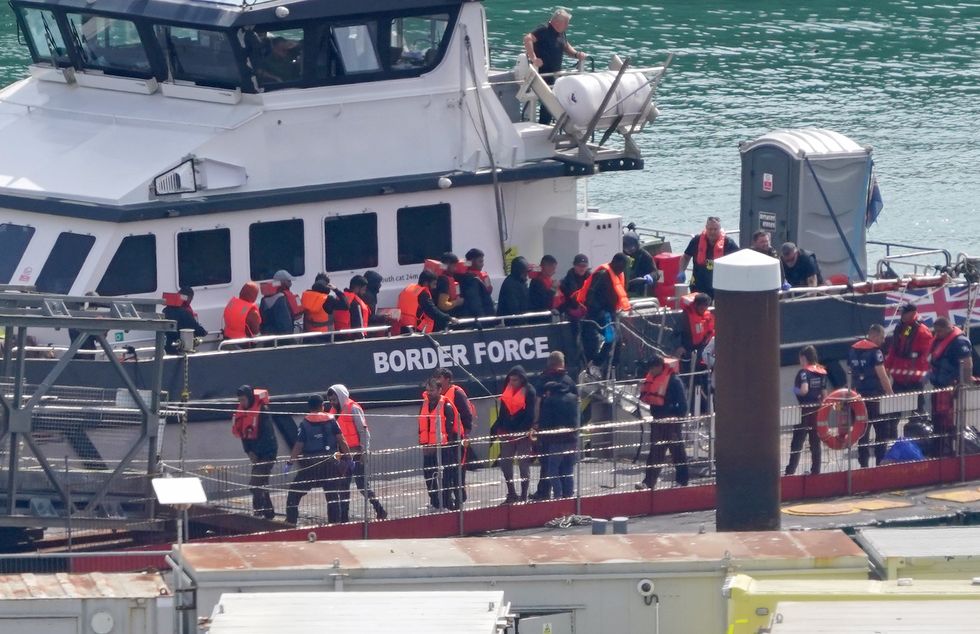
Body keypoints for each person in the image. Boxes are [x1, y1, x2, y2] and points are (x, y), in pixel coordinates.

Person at [283, 395, 350, 525]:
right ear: (322, 406)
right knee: (332, 496)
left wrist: (290, 462)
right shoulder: (332, 421)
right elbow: (342, 441)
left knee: (294, 493)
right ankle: (335, 525)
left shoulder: (305, 424)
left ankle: (291, 522)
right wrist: (349, 459)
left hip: (310, 465)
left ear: (309, 407)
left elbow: (298, 446)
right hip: (331, 464)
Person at [326, 384, 387, 520]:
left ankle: (379, 509)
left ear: (341, 396)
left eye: (334, 399)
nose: (332, 402)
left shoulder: (353, 408)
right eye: (330, 400)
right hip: (342, 455)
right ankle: (344, 517)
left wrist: (364, 451)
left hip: (356, 453)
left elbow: (364, 431)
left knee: (362, 486)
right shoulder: (332, 412)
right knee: (343, 486)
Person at [523, 8, 587, 124]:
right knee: (548, 100)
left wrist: (576, 54)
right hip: (542, 73)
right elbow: (528, 39)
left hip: (554, 73)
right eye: (566, 23)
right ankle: (544, 124)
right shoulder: (544, 29)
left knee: (554, 100)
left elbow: (565, 45)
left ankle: (549, 123)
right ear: (557, 22)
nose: (568, 25)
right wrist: (534, 58)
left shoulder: (560, 32)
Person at [636, 355, 689, 490]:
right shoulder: (653, 379)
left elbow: (683, 405)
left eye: (653, 368)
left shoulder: (674, 381)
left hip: (672, 423)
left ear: (660, 367)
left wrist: (676, 417)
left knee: (678, 453)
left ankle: (682, 481)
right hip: (658, 421)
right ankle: (648, 482)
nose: (651, 371)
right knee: (655, 453)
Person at [849, 324, 896, 467]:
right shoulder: (875, 352)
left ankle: (863, 465)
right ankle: (879, 463)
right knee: (882, 431)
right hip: (876, 397)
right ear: (874, 336)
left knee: (862, 432)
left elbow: (850, 374)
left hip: (859, 398)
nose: (883, 341)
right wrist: (891, 394)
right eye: (881, 338)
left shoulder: (853, 350)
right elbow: (882, 376)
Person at [575, 252, 631, 368]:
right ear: (615, 262)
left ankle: (614, 368)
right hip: (599, 314)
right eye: (621, 267)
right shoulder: (602, 274)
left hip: (610, 313)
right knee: (612, 338)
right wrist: (600, 311)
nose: (622, 270)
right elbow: (590, 296)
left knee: (618, 341)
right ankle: (596, 364)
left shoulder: (618, 274)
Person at [929, 317, 974, 456]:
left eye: (940, 331)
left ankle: (952, 453)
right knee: (938, 421)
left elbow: (967, 364)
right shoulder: (938, 340)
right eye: (935, 331)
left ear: (949, 328)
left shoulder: (959, 342)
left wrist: (964, 384)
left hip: (951, 389)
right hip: (938, 388)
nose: (937, 334)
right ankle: (939, 451)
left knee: (950, 423)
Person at [231, 385, 278, 519]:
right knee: (261, 483)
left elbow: (267, 435)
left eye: (244, 399)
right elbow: (242, 433)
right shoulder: (242, 411)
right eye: (240, 400)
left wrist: (258, 453)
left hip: (267, 452)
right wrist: (249, 452)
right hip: (254, 452)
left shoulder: (263, 410)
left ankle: (258, 513)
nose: (242, 403)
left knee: (255, 485)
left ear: (250, 397)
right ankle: (269, 513)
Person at [494, 365, 537, 503]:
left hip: (522, 434)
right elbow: (502, 413)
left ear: (522, 380)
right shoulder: (507, 390)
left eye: (515, 380)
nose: (512, 383)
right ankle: (511, 493)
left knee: (523, 465)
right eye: (511, 380)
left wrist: (519, 431)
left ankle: (524, 495)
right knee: (505, 463)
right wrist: (498, 427)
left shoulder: (529, 391)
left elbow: (530, 415)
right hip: (507, 433)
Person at [418, 378, 463, 510]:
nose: (429, 393)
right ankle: (435, 502)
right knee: (429, 476)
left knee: (446, 477)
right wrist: (424, 444)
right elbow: (421, 427)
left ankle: (448, 503)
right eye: (427, 390)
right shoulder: (424, 405)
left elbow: (449, 430)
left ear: (439, 390)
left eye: (432, 390)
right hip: (428, 449)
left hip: (444, 448)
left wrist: (443, 445)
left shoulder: (446, 406)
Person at [884, 303, 933, 417]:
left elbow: (927, 356)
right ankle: (893, 433)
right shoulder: (901, 328)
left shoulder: (923, 331)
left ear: (912, 313)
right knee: (894, 412)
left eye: (904, 313)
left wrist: (924, 376)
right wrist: (887, 367)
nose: (902, 315)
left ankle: (918, 431)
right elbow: (894, 351)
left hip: (914, 379)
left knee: (917, 411)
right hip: (899, 377)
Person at [434, 368, 478, 494]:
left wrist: (466, 434)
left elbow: (466, 414)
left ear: (447, 379)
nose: (437, 380)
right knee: (447, 467)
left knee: (459, 465)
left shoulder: (457, 393)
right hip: (444, 436)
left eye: (440, 378)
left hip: (457, 435)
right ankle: (448, 495)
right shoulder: (438, 394)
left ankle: (460, 493)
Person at [785, 345, 827, 476]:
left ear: (803, 358)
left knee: (797, 442)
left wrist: (793, 389)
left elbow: (804, 390)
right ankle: (816, 471)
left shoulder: (803, 372)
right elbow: (824, 394)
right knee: (815, 442)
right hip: (817, 410)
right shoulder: (821, 371)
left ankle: (790, 471)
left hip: (804, 411)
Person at [533, 380, 579, 499]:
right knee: (568, 469)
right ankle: (568, 495)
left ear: (549, 392)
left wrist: (540, 435)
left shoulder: (550, 401)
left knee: (552, 470)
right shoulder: (573, 398)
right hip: (572, 439)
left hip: (556, 440)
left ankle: (558, 495)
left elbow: (546, 421)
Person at [678, 216, 739, 298]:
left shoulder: (729, 244)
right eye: (710, 229)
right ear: (706, 228)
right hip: (698, 285)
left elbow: (738, 261)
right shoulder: (696, 240)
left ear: (719, 229)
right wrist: (681, 271)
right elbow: (685, 257)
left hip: (718, 287)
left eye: (715, 229)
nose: (712, 232)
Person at [162, 286, 208, 354]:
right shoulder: (184, 313)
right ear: (188, 298)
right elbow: (195, 328)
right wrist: (204, 332)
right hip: (180, 349)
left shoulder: (165, 310)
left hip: (167, 348)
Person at [457, 248, 495, 318]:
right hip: (478, 319)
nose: (482, 264)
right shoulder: (471, 280)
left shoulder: (466, 277)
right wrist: (482, 319)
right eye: (480, 261)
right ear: (471, 262)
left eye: (482, 261)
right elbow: (474, 303)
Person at [623, 231, 659, 297]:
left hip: (639, 289)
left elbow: (655, 272)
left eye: (632, 246)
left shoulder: (644, 255)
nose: (630, 249)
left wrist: (650, 276)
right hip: (623, 288)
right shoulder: (621, 255)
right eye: (626, 247)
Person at [559, 253, 590, 318]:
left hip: (588, 313)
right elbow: (563, 301)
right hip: (571, 315)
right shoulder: (565, 282)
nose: (582, 268)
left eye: (584, 266)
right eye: (579, 265)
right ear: (574, 265)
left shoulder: (592, 280)